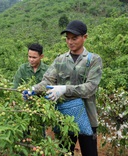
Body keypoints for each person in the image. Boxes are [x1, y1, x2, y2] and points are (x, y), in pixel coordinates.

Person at [23, 20, 103, 156]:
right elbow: (47, 81)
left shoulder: (93, 60)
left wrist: (65, 89)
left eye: (74, 38)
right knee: (65, 152)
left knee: (90, 152)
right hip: (64, 116)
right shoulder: (60, 60)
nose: (70, 42)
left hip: (87, 116)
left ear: (85, 37)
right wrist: (33, 89)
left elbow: (90, 87)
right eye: (68, 38)